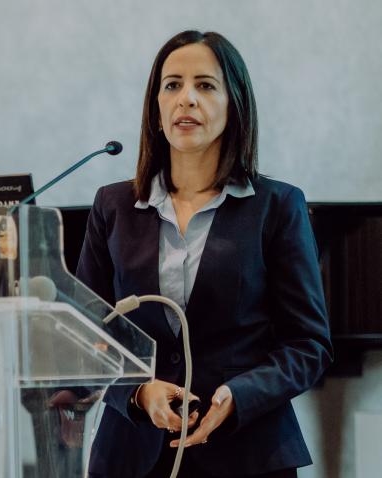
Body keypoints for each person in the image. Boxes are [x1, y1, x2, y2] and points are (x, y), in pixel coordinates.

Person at [75, 31, 333, 478]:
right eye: (172, 85)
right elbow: (83, 334)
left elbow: (308, 344)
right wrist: (135, 392)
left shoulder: (277, 205)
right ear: (156, 108)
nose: (187, 98)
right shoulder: (112, 205)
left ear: (235, 106)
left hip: (247, 452)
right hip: (130, 455)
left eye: (206, 85)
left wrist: (239, 395)